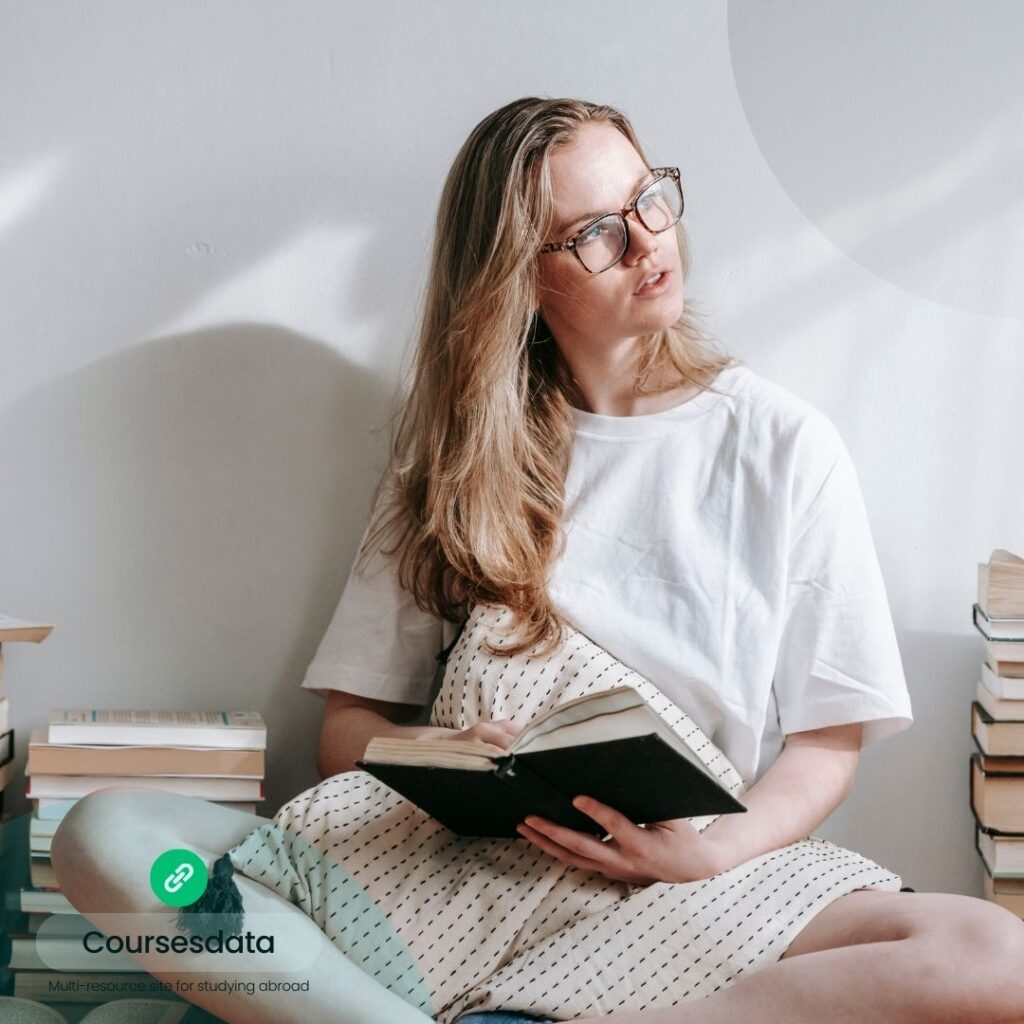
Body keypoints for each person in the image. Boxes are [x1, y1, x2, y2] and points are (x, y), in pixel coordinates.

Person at [52, 97, 1024, 1024]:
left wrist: (705, 854)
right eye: (597, 231)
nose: (649, 241)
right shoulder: (458, 456)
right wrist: (439, 753)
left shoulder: (780, 444)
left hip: (683, 871)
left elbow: (826, 741)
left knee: (993, 958)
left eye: (650, 198)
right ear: (520, 278)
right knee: (107, 839)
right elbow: (347, 729)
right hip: (444, 865)